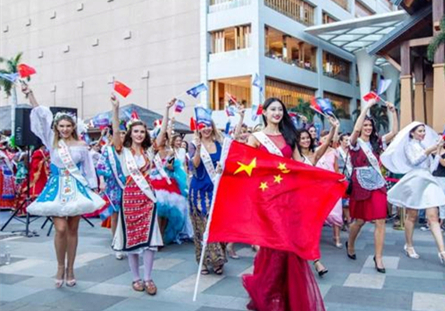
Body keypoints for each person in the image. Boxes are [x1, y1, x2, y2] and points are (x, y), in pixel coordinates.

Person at [243, 97, 325, 311]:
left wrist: (323, 177)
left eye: (280, 109)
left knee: (288, 247)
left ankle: (283, 293)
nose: (277, 113)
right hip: (268, 199)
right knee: (275, 246)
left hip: (289, 199)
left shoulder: (289, 136)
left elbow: (299, 164)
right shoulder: (256, 138)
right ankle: (268, 292)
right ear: (265, 113)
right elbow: (247, 166)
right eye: (273, 109)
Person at [22, 83, 105, 288]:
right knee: (60, 228)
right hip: (56, 188)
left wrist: (93, 188)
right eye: (62, 126)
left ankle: (71, 268)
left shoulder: (82, 146)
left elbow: (88, 170)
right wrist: (31, 94)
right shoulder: (51, 141)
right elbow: (42, 117)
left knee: (73, 229)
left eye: (68, 126)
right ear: (57, 128)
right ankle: (60, 266)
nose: (65, 129)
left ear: (73, 127)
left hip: (76, 187)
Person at [110, 94, 163, 295]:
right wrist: (115, 109)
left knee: (150, 240)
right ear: (130, 134)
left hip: (148, 199)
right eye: (136, 131)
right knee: (131, 239)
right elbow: (115, 132)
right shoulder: (122, 151)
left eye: (142, 131)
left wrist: (166, 113)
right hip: (130, 197)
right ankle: (136, 278)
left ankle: (148, 278)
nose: (140, 134)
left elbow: (162, 134)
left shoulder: (149, 152)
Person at [381, 122, 445, 264]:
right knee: (412, 216)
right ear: (412, 133)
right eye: (420, 131)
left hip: (428, 180)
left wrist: (438, 151)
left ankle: (442, 251)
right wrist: (430, 150)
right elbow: (414, 161)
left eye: (424, 131)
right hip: (415, 181)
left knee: (433, 217)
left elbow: (431, 167)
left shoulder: (423, 146)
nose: (423, 133)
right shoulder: (409, 145)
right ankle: (409, 245)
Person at [346, 99, 398, 273]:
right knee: (359, 221)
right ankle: (350, 244)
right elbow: (355, 130)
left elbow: (395, 132)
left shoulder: (377, 142)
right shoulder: (354, 143)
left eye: (370, 125)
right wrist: (366, 107)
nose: (367, 128)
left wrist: (393, 112)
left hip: (377, 184)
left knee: (380, 221)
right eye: (365, 125)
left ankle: (379, 258)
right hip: (360, 185)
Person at [296, 118, 339, 277]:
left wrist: (333, 128)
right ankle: (312, 260)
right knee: (301, 231)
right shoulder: (293, 157)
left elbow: (327, 143)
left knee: (311, 231)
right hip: (296, 200)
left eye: (307, 138)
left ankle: (315, 260)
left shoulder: (314, 156)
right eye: (302, 138)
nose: (306, 140)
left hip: (311, 199)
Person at [189, 119, 227, 275]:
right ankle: (204, 261)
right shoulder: (193, 145)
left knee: (219, 225)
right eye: (202, 126)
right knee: (202, 226)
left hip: (217, 191)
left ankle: (219, 257)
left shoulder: (220, 143)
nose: (206, 129)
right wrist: (198, 149)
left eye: (208, 125)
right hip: (199, 192)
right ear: (198, 128)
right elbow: (194, 165)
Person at [150, 108, 189, 245]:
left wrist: (170, 166)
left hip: (168, 182)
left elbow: (174, 167)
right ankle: (156, 237)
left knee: (167, 213)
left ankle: (161, 236)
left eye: (165, 137)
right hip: (155, 182)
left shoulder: (170, 151)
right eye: (160, 137)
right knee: (158, 213)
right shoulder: (152, 151)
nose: (163, 140)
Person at [96, 124, 127, 260]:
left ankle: (126, 238)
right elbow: (101, 166)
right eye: (118, 133)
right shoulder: (107, 150)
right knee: (115, 214)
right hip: (113, 185)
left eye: (123, 133)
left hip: (129, 184)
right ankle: (116, 241)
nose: (121, 135)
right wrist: (102, 181)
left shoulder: (129, 149)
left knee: (127, 214)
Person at [316, 130, 343, 249]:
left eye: (328, 137)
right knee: (317, 213)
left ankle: (337, 237)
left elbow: (336, 169)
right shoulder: (315, 152)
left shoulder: (334, 152)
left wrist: (339, 179)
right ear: (320, 139)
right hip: (318, 186)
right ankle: (315, 237)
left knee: (336, 211)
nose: (326, 139)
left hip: (332, 185)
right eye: (324, 137)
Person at [337, 133, 352, 229]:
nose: (347, 142)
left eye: (348, 140)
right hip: (342, 178)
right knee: (344, 202)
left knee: (348, 202)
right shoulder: (337, 152)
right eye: (345, 140)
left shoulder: (352, 151)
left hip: (351, 178)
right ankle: (347, 221)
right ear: (341, 141)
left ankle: (344, 220)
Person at [0, 137, 16, 210]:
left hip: (7, 172)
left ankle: (9, 203)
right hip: (2, 171)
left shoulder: (6, 153)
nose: (6, 146)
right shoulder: (2, 153)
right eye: (4, 144)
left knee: (8, 187)